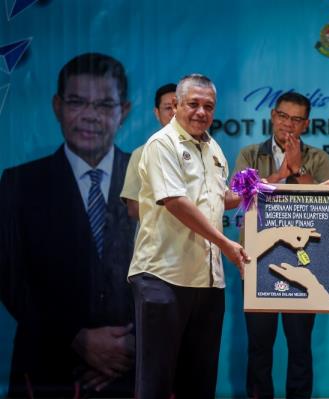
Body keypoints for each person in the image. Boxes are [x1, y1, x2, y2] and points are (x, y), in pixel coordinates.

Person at [0, 52, 137, 396]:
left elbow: (174, 270)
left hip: (134, 371)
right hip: (46, 372)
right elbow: (9, 276)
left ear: (125, 111)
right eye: (77, 102)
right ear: (57, 106)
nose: (90, 116)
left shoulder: (152, 180)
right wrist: (75, 337)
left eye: (105, 105)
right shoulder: (20, 184)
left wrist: (135, 343)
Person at [128, 74, 249, 399]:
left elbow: (220, 198)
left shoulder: (213, 147)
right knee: (155, 382)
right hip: (163, 277)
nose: (200, 112)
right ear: (176, 105)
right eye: (193, 104)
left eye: (208, 106)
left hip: (207, 282)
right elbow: (175, 202)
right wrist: (225, 242)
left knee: (199, 381)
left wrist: (257, 190)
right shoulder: (161, 144)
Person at [233, 92, 329, 399]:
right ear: (273, 116)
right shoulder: (250, 154)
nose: (288, 124)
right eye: (283, 117)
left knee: (300, 347)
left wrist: (300, 169)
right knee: (259, 347)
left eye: (297, 119)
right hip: (257, 259)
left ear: (306, 124)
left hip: (303, 261)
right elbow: (241, 199)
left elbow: (325, 207)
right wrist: (281, 174)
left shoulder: (318, 158)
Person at [120, 83, 177, 220]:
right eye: (168, 108)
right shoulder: (141, 153)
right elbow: (133, 208)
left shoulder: (201, 148)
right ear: (157, 113)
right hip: (156, 239)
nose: (174, 112)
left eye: (178, 106)